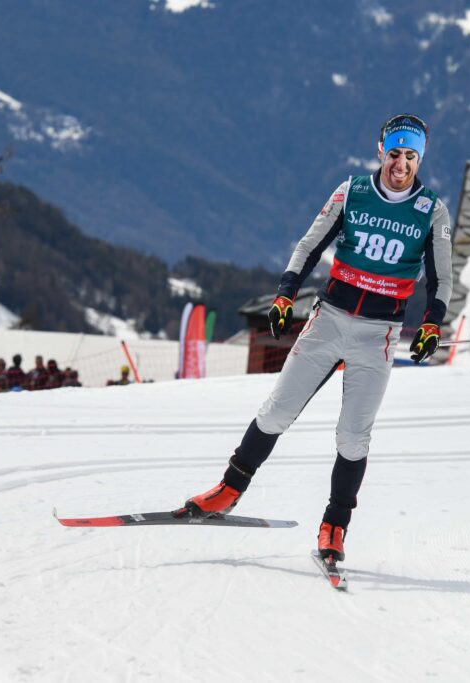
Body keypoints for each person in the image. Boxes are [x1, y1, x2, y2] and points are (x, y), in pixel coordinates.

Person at [178, 114, 452, 567]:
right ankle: (229, 489)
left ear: (419, 159)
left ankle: (335, 526)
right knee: (278, 410)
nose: (401, 164)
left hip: (378, 335)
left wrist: (431, 323)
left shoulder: (431, 210)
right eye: (394, 153)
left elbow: (442, 279)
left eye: (410, 156)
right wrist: (286, 294)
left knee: (353, 436)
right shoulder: (353, 192)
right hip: (330, 320)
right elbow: (309, 246)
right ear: (380, 151)